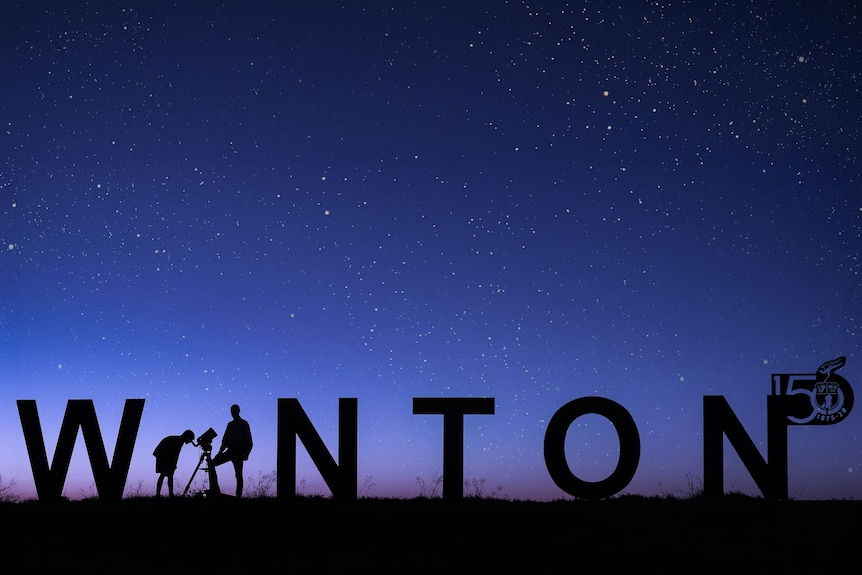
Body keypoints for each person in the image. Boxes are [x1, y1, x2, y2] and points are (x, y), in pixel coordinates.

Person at [211, 404, 253, 497]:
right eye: (232, 411)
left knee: (238, 475)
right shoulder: (230, 425)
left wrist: (247, 453)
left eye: (234, 411)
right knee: (212, 464)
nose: (232, 413)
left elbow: (249, 440)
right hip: (230, 451)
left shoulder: (244, 424)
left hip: (239, 453)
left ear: (238, 411)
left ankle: (238, 496)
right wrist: (219, 453)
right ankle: (215, 489)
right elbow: (224, 440)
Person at [153, 429, 195, 497]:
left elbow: (175, 455)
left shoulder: (178, 440)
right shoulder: (178, 441)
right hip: (162, 455)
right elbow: (174, 454)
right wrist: (173, 464)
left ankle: (167, 494)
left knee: (168, 475)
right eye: (190, 439)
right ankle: (162, 494)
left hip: (163, 455)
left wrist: (173, 464)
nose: (190, 441)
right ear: (187, 437)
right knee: (164, 474)